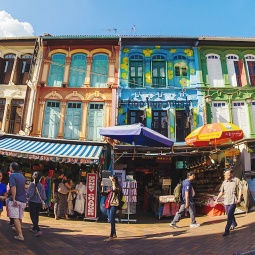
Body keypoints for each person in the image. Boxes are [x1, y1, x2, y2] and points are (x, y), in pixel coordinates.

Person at [214, 170, 242, 236]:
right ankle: (234, 223)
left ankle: (227, 230)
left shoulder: (236, 180)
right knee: (229, 214)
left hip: (233, 200)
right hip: (226, 201)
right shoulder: (224, 182)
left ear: (231, 174)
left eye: (227, 175)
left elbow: (240, 188)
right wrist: (217, 199)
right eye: (225, 175)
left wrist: (239, 198)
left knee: (229, 215)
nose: (226, 176)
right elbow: (221, 192)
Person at [7, 162, 26, 241]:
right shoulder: (22, 176)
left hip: (16, 199)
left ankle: (20, 235)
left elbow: (13, 187)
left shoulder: (12, 175)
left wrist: (14, 198)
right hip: (23, 200)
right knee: (19, 217)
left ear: (12, 168)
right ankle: (19, 231)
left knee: (15, 217)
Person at [101, 175, 122, 241]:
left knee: (112, 219)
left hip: (114, 204)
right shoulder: (110, 187)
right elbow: (103, 193)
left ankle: (111, 236)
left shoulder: (118, 187)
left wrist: (113, 182)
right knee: (110, 219)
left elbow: (114, 190)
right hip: (108, 204)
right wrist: (102, 187)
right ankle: (114, 233)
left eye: (112, 179)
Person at [27, 171, 46, 237]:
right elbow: (43, 196)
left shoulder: (32, 184)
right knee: (36, 215)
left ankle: (38, 230)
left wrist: (27, 195)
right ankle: (34, 228)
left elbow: (30, 194)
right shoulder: (41, 185)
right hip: (39, 203)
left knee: (32, 216)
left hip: (32, 202)